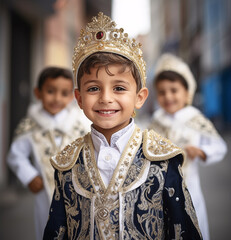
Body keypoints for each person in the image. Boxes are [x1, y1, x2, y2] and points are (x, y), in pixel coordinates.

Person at [43, 12, 202, 239]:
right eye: (93, 88)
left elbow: (183, 229)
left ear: (140, 97)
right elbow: (56, 232)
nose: (106, 98)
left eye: (119, 88)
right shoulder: (66, 164)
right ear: (78, 99)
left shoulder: (163, 159)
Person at [148, 53, 227, 240]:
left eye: (174, 90)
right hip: (160, 187)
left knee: (191, 225)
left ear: (186, 92)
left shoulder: (194, 118)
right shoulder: (156, 121)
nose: (168, 96)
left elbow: (219, 146)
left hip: (188, 184)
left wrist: (202, 152)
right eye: (162, 92)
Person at [7, 66, 91, 240]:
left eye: (64, 93)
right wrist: (29, 175)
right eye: (51, 91)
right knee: (48, 228)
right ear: (38, 93)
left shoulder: (80, 122)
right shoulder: (31, 126)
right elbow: (16, 155)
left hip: (79, 188)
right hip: (46, 191)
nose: (57, 98)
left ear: (73, 96)